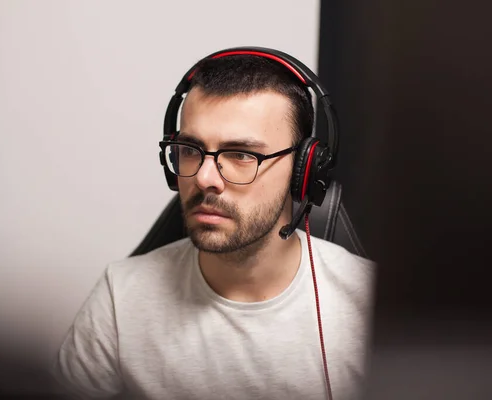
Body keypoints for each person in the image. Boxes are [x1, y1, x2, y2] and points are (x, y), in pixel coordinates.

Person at [53, 50, 376, 400]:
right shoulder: (121, 298)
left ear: (303, 170)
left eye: (240, 154)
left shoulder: (372, 307)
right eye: (190, 148)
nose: (205, 178)